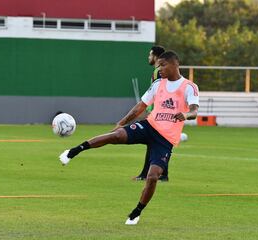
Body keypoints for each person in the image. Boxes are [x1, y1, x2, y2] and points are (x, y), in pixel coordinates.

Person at [59, 51, 199, 225]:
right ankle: (73, 151)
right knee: (116, 135)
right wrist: (121, 122)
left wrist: (185, 115)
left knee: (153, 176)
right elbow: (141, 106)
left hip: (166, 139)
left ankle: (136, 212)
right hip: (149, 127)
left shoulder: (189, 87)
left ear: (174, 65)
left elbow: (194, 110)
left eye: (162, 65)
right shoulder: (157, 84)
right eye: (158, 65)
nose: (158, 68)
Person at [134, 45, 167, 182]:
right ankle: (155, 174)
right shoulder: (160, 71)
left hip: (159, 114)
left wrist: (154, 111)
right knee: (156, 143)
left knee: (155, 142)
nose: (148, 57)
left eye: (150, 55)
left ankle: (149, 174)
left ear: (155, 56)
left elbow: (161, 93)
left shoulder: (159, 72)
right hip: (159, 113)